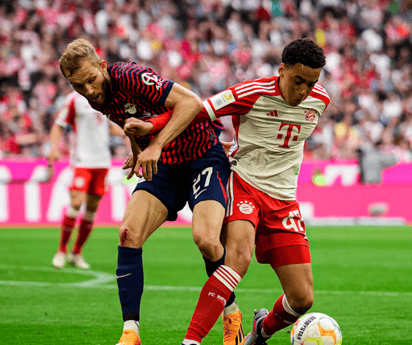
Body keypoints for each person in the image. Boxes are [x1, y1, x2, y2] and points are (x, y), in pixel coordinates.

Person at [128, 38, 329, 345]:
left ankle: (259, 332)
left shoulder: (320, 100)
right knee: (238, 257)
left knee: (302, 299)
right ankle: (191, 341)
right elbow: (194, 110)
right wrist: (152, 129)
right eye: (298, 81)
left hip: (284, 200)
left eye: (311, 84)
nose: (303, 92)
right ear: (281, 71)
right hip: (244, 185)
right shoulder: (252, 93)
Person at [58, 39, 243, 345]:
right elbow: (129, 122)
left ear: (102, 66)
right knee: (128, 233)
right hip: (165, 166)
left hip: (202, 156)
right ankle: (131, 332)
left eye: (90, 80)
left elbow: (191, 103)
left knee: (207, 240)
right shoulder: (96, 98)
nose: (88, 90)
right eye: (78, 86)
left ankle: (231, 312)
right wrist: (137, 149)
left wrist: (154, 145)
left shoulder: (130, 76)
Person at [48, 91, 124, 269]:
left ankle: (76, 253)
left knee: (91, 209)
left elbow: (107, 126)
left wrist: (127, 132)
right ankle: (61, 250)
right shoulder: (74, 99)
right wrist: (54, 148)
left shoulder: (107, 96)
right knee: (76, 202)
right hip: (82, 160)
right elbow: (59, 125)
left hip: (103, 161)